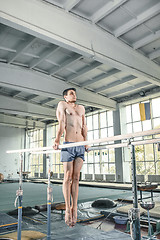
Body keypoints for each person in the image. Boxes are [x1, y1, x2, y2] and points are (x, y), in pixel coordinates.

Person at [53, 88, 88, 227]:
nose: (74, 94)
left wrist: (87, 142)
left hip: (81, 144)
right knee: (68, 176)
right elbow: (61, 122)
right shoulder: (62, 105)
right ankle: (68, 208)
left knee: (76, 177)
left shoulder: (82, 108)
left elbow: (84, 126)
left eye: (75, 92)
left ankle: (74, 207)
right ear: (65, 97)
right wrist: (57, 139)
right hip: (68, 144)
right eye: (71, 93)